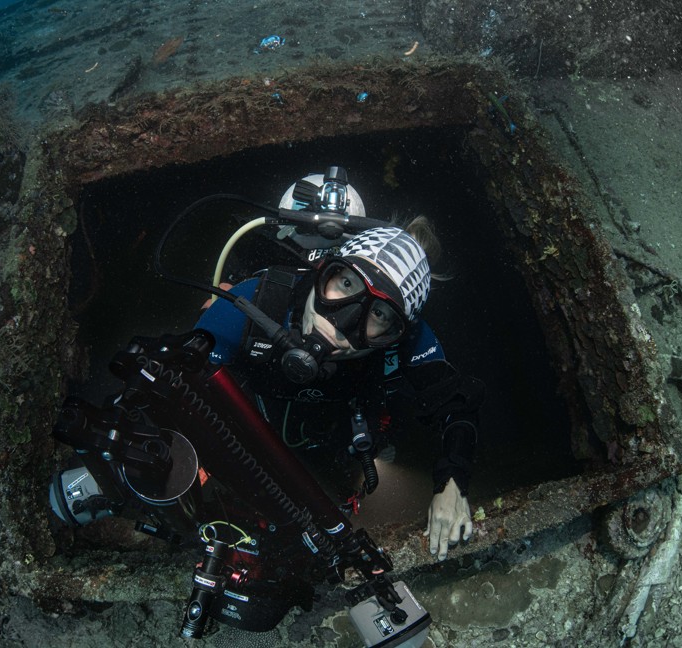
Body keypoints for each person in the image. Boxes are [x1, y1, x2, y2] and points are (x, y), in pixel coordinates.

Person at [194, 171, 485, 561]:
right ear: (323, 269)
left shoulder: (410, 341)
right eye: (345, 285)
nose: (340, 324)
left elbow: (455, 403)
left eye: (378, 315)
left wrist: (452, 481)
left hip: (335, 464)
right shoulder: (260, 300)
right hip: (243, 454)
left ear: (398, 333)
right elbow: (180, 376)